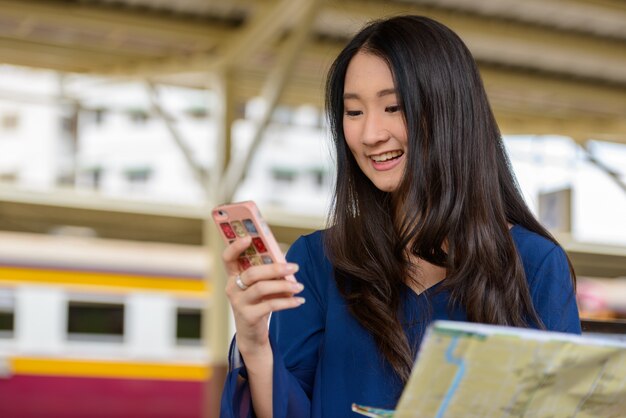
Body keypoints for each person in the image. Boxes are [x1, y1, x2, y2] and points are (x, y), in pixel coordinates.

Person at [219, 15, 581, 418]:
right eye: (353, 112)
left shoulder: (533, 265)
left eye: (393, 107)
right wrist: (254, 343)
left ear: (449, 112)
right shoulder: (319, 263)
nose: (371, 134)